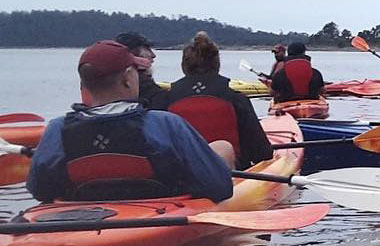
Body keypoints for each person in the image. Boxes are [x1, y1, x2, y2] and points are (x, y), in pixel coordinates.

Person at [27, 40, 233, 203]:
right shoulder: (165, 124)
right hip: (158, 215)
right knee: (222, 149)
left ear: (85, 83)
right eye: (136, 71)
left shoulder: (57, 128)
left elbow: (40, 190)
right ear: (127, 78)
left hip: (80, 218)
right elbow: (219, 187)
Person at [155, 32, 274, 169]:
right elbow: (262, 153)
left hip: (180, 177)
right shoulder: (237, 99)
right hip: (231, 174)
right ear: (217, 64)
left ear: (184, 66)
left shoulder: (164, 100)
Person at [114, 32, 168, 109]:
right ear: (133, 53)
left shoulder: (106, 90)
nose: (153, 55)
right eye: (147, 49)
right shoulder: (153, 94)